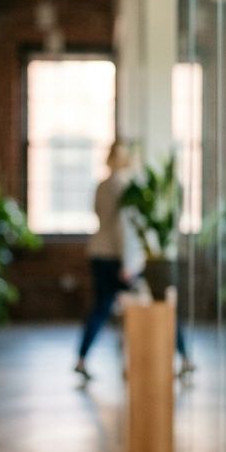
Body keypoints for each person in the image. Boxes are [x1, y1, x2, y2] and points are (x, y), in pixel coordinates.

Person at [75, 142, 136, 381]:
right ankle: (177, 355)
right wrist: (128, 263)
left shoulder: (101, 185)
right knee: (142, 305)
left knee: (101, 307)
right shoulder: (122, 186)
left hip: (97, 249)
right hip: (115, 255)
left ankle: (82, 357)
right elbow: (122, 227)